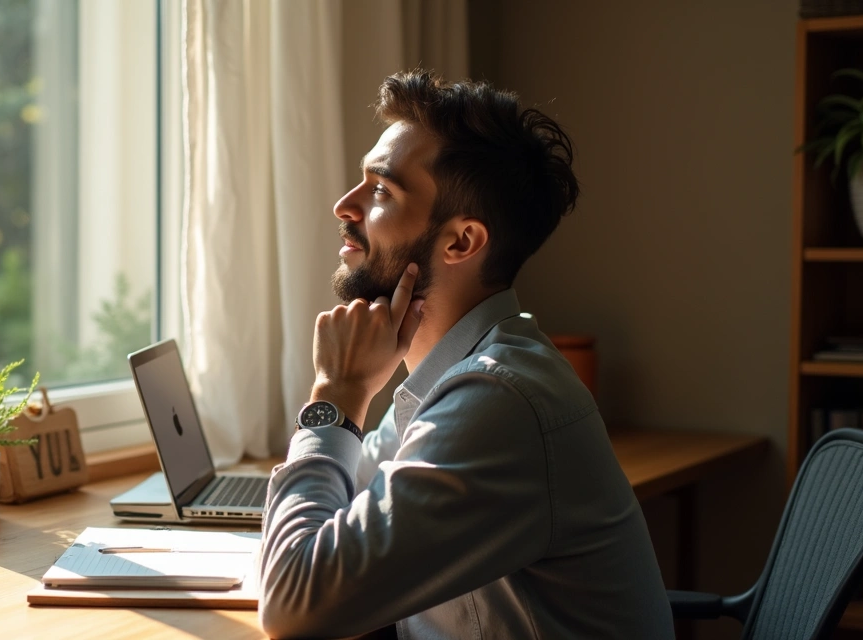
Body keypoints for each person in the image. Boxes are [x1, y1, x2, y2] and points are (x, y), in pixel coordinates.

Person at [257, 69, 674, 639]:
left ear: (461, 242)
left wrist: (338, 395)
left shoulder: (498, 399)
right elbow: (338, 520)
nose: (343, 205)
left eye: (381, 190)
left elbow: (293, 608)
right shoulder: (453, 380)